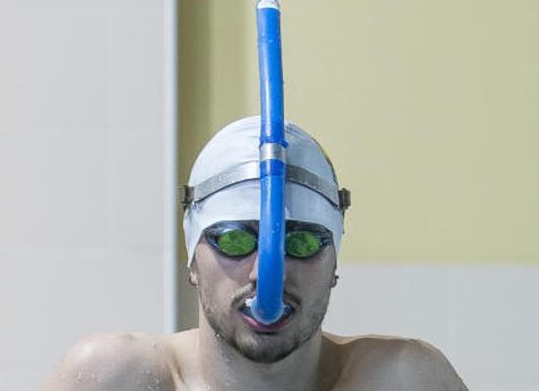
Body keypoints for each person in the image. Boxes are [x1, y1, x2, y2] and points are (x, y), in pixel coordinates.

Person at [44, 117, 467, 390]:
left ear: (334, 262)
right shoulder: (116, 379)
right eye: (235, 241)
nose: (268, 276)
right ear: (193, 258)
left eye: (301, 243)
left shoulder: (399, 381)